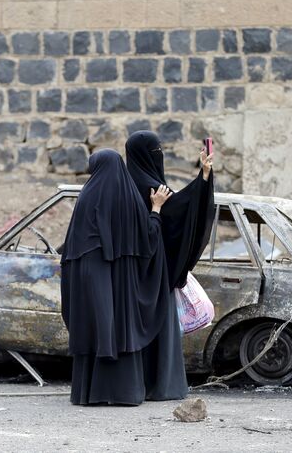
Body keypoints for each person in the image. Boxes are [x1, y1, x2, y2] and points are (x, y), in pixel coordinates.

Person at [60, 149, 173, 406]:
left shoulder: (85, 198)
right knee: (119, 326)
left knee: (93, 327)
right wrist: (156, 209)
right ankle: (122, 393)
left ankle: (87, 394)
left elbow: (70, 249)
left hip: (86, 277)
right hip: (119, 279)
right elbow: (148, 240)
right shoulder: (129, 198)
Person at [125, 131, 215, 401]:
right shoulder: (152, 189)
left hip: (131, 277)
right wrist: (203, 179)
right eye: (156, 150)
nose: (160, 155)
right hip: (155, 275)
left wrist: (204, 176)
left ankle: (138, 386)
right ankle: (162, 386)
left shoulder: (125, 186)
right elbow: (182, 212)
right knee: (159, 331)